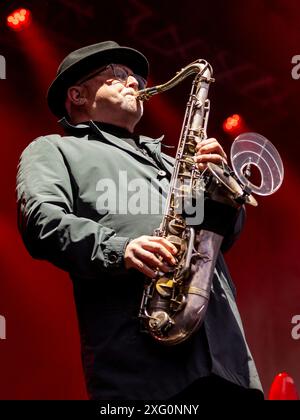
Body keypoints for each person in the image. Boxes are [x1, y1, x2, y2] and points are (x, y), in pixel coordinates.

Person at [16, 40, 264, 400]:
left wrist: (218, 188)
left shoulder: (172, 162)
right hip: (144, 366)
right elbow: (42, 221)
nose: (134, 82)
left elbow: (218, 235)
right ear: (78, 94)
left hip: (227, 361)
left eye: (135, 77)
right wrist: (122, 249)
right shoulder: (54, 149)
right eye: (118, 75)